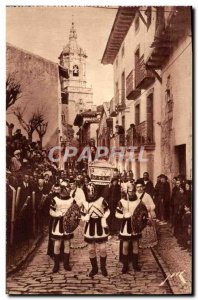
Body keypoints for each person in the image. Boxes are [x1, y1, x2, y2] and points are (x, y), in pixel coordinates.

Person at [116, 180, 155, 273]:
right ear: (127, 191)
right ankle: (125, 265)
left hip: (136, 226)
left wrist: (146, 220)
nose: (132, 193)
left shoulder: (139, 202)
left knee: (135, 245)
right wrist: (124, 216)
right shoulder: (122, 201)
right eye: (130, 191)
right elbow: (117, 214)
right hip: (126, 226)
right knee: (125, 245)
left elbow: (144, 214)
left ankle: (135, 264)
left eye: (133, 191)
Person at [81, 183, 110, 277]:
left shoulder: (102, 200)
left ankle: (103, 267)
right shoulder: (85, 203)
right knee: (91, 249)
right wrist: (85, 217)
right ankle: (94, 268)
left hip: (100, 225)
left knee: (103, 248)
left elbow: (107, 210)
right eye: (89, 191)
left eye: (93, 191)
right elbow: (82, 214)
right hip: (90, 226)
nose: (91, 193)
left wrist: (104, 217)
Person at [49, 184, 78, 273]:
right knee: (57, 244)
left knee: (67, 243)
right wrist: (58, 214)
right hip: (58, 223)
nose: (64, 191)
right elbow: (51, 211)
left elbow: (75, 211)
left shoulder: (72, 200)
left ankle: (66, 264)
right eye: (63, 189)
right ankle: (56, 265)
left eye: (66, 189)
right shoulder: (55, 199)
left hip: (67, 224)